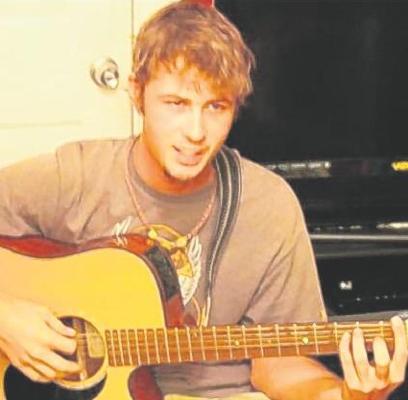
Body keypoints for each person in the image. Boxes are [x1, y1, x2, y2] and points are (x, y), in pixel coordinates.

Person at [0, 1, 407, 399]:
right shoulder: (75, 176)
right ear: (137, 93)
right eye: (176, 104)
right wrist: (6, 317)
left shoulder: (269, 206)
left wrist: (348, 396)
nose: (196, 132)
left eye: (215, 106)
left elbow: (281, 364)